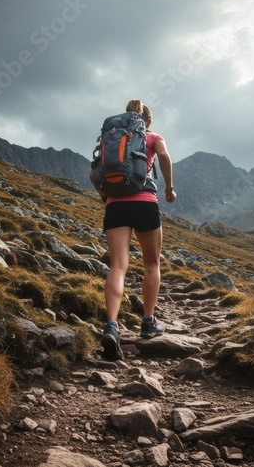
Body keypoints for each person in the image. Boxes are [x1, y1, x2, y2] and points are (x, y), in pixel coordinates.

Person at [95, 99, 176, 360]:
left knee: (118, 265)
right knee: (152, 263)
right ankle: (148, 321)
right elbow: (163, 156)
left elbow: (93, 173)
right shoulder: (152, 137)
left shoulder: (111, 138)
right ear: (147, 121)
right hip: (145, 203)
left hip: (115, 206)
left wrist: (104, 196)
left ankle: (111, 326)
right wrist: (168, 188)